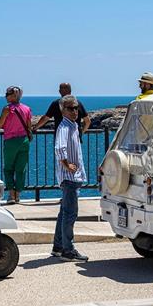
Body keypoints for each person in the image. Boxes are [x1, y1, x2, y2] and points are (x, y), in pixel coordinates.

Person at [51, 94, 89, 262]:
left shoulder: (73, 125)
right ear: (63, 110)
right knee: (70, 214)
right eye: (71, 108)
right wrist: (67, 165)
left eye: (76, 108)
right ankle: (68, 250)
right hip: (69, 178)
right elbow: (59, 148)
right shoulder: (65, 127)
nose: (75, 111)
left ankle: (58, 247)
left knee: (64, 212)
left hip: (72, 177)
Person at [0, 86, 32, 204]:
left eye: (8, 94)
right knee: (21, 168)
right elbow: (29, 127)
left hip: (11, 141)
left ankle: (11, 195)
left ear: (14, 95)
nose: (6, 96)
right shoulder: (27, 109)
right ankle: (18, 195)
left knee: (9, 168)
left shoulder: (7, 109)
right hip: (24, 141)